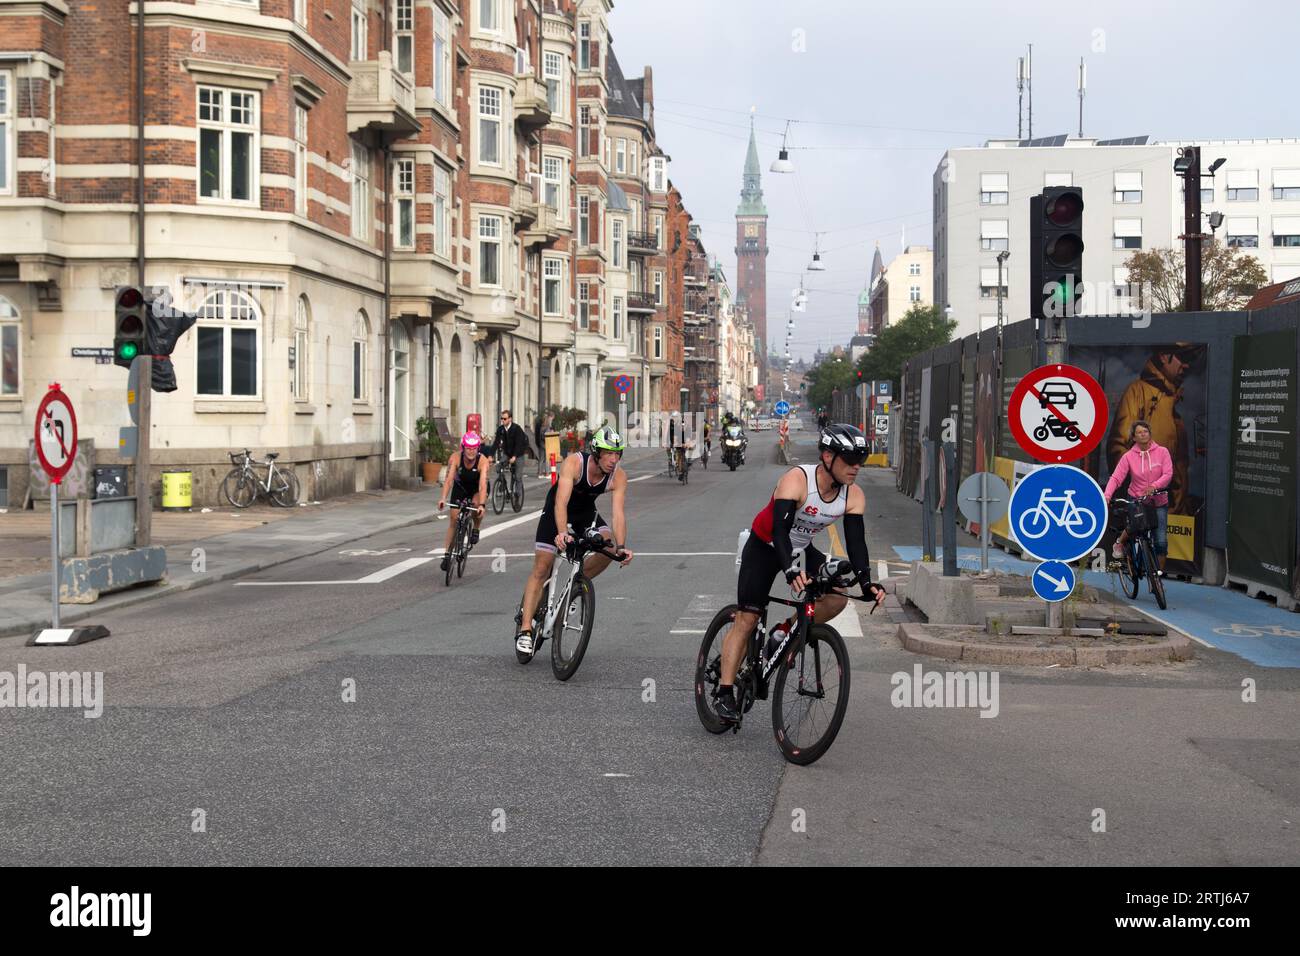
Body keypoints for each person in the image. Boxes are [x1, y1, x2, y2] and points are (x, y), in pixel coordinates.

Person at [714, 423, 886, 723]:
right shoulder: (797, 479)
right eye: (849, 460)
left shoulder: (853, 495)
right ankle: (725, 692)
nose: (856, 468)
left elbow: (857, 545)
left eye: (861, 461)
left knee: (837, 598)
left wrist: (867, 582)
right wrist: (790, 570)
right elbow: (780, 532)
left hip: (802, 547)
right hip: (766, 545)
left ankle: (782, 633)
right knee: (748, 617)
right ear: (828, 457)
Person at [515, 425, 634, 654]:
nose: (613, 459)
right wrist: (562, 533)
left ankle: (574, 586)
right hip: (557, 511)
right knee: (542, 567)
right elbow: (561, 502)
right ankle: (526, 629)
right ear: (597, 452)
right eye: (608, 453)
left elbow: (618, 513)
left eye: (617, 453)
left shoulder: (618, 476)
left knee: (607, 546)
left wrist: (621, 546)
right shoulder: (575, 462)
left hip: (585, 513)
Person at [1107, 345, 1196, 514]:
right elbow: (1117, 448)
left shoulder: (1171, 400)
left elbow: (1180, 465)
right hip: (1145, 506)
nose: (1186, 366)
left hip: (1174, 510)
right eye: (1182, 358)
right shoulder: (1138, 391)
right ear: (1163, 356)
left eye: (1189, 361)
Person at [1103, 419, 1173, 573]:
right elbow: (1116, 478)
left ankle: (1158, 578)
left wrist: (1154, 486)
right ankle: (1120, 543)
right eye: (1139, 432)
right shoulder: (1129, 456)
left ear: (1150, 433)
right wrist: (1107, 495)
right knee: (1134, 528)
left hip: (1159, 501)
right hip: (1137, 499)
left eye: (1145, 431)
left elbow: (1168, 474)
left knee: (1161, 541)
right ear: (1134, 438)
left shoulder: (1162, 452)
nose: (1143, 434)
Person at [437, 431, 489, 570]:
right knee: (453, 519)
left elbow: (483, 484)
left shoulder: (482, 461)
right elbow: (448, 481)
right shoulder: (455, 458)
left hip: (476, 488)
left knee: (476, 506)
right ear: (463, 447)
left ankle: (476, 528)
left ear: (478, 448)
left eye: (474, 448)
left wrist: (482, 505)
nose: (471, 452)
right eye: (468, 448)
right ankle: (447, 554)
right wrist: (443, 498)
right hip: (460, 487)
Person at [486, 409, 528, 491]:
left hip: (518, 454)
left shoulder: (516, 429)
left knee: (518, 476)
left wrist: (515, 456)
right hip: (508, 454)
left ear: (510, 419)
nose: (502, 421)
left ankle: (517, 495)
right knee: (498, 468)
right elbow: (496, 443)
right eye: (501, 419)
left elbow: (518, 444)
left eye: (504, 419)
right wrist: (491, 455)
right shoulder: (500, 429)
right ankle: (502, 483)